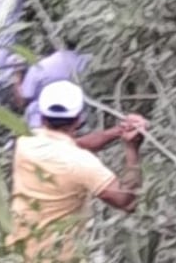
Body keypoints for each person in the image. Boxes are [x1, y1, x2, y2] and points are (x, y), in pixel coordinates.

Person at [8, 81, 147, 262]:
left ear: (42, 118)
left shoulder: (25, 142)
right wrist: (132, 149)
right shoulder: (82, 164)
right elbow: (127, 201)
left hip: (17, 253)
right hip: (59, 257)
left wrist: (118, 131)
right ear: (79, 119)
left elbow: (77, 144)